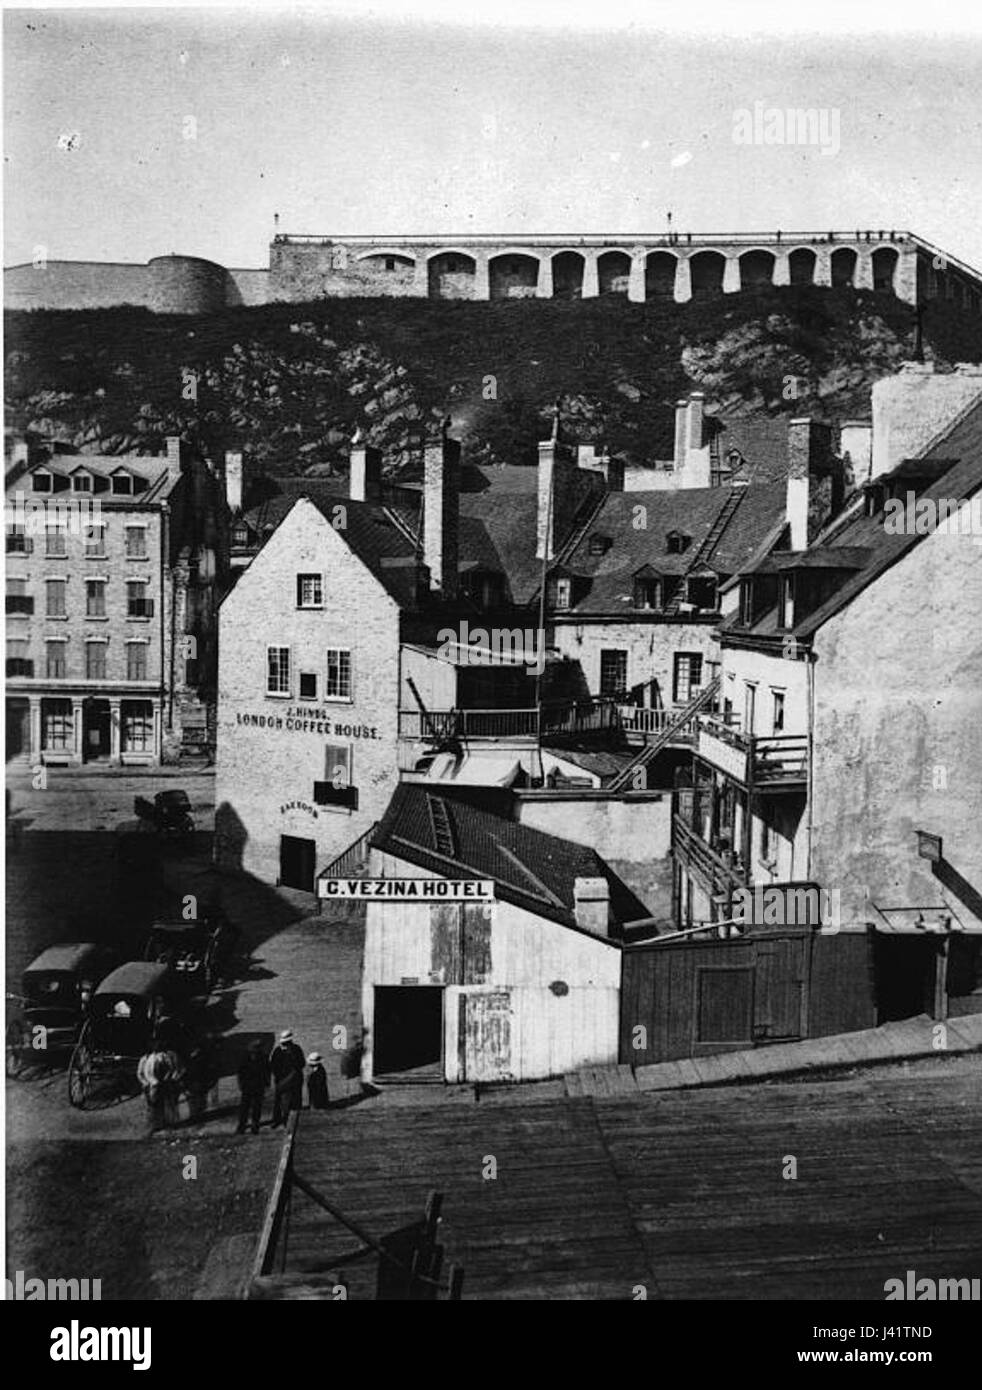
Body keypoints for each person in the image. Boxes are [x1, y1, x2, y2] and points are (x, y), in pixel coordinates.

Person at [269, 1029, 305, 1127]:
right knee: (279, 1102)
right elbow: (273, 1066)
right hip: (282, 1081)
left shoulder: (296, 1050)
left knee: (294, 1101)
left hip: (293, 1081)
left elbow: (301, 1064)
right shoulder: (278, 1051)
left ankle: (291, 1121)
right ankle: (278, 1119)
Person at [236, 1039, 269, 1134]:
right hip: (248, 1086)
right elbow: (240, 1072)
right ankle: (242, 1125)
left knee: (256, 1107)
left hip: (258, 1086)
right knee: (245, 1107)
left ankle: (254, 1125)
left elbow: (266, 1071)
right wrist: (241, 1084)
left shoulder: (263, 1057)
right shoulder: (245, 1058)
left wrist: (266, 1084)